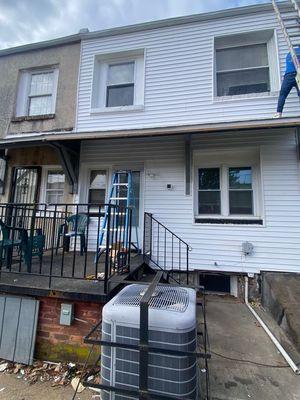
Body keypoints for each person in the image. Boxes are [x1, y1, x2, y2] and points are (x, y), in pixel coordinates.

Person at [274, 45, 300, 118]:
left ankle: (278, 113)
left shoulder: (289, 53)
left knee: (283, 94)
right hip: (298, 74)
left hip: (288, 75)